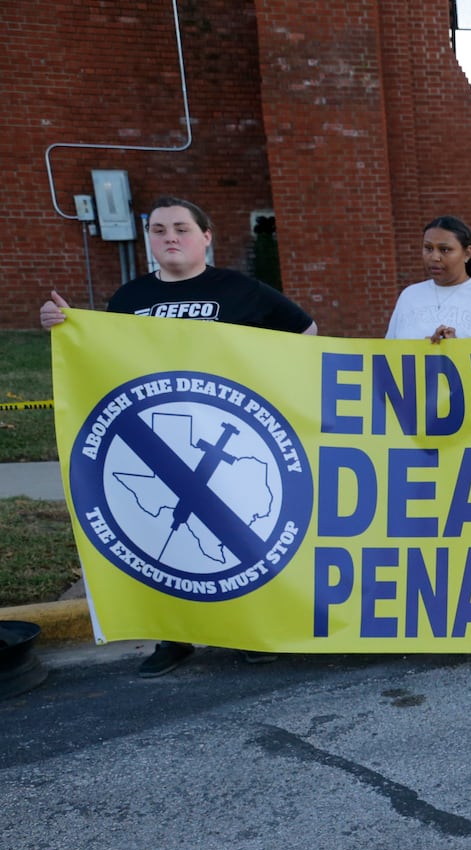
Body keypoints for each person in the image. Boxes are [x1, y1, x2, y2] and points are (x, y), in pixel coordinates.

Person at [39, 195, 318, 680]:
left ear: (206, 237)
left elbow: (306, 333)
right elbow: (104, 363)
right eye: (161, 229)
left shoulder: (239, 290)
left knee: (233, 538)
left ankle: (249, 633)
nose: (171, 237)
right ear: (150, 239)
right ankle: (173, 638)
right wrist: (65, 327)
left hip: (229, 436)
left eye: (182, 228)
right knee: (160, 541)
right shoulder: (127, 300)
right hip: (157, 442)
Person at [386, 215, 471, 342]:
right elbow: (388, 352)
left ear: (467, 253)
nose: (434, 257)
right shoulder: (409, 296)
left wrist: (457, 349)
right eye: (428, 248)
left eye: (445, 250)